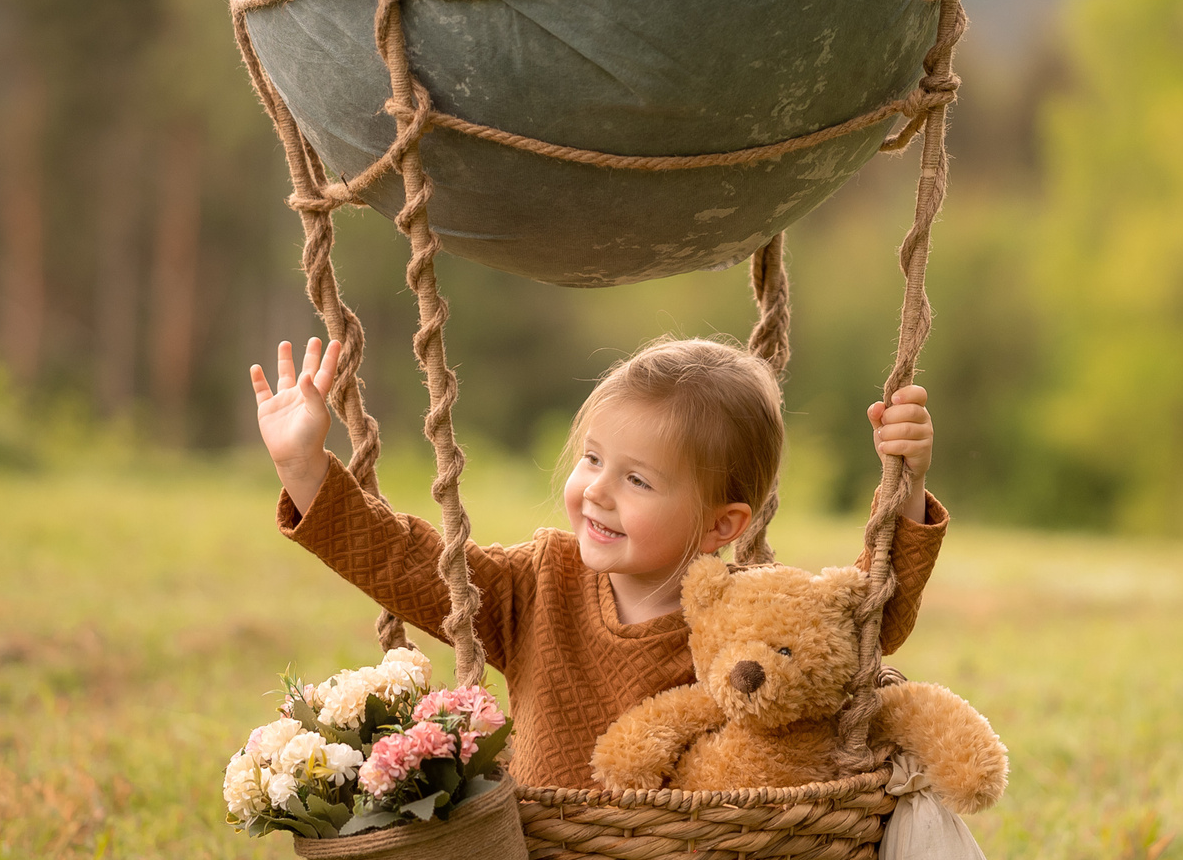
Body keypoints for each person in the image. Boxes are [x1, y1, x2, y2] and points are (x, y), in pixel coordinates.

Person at [251, 333, 946, 790]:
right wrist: (307, 469)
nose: (597, 492)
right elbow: (411, 564)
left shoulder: (746, 620)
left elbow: (858, 629)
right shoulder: (540, 583)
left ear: (720, 524)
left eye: (638, 480)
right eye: (592, 460)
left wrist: (905, 487)